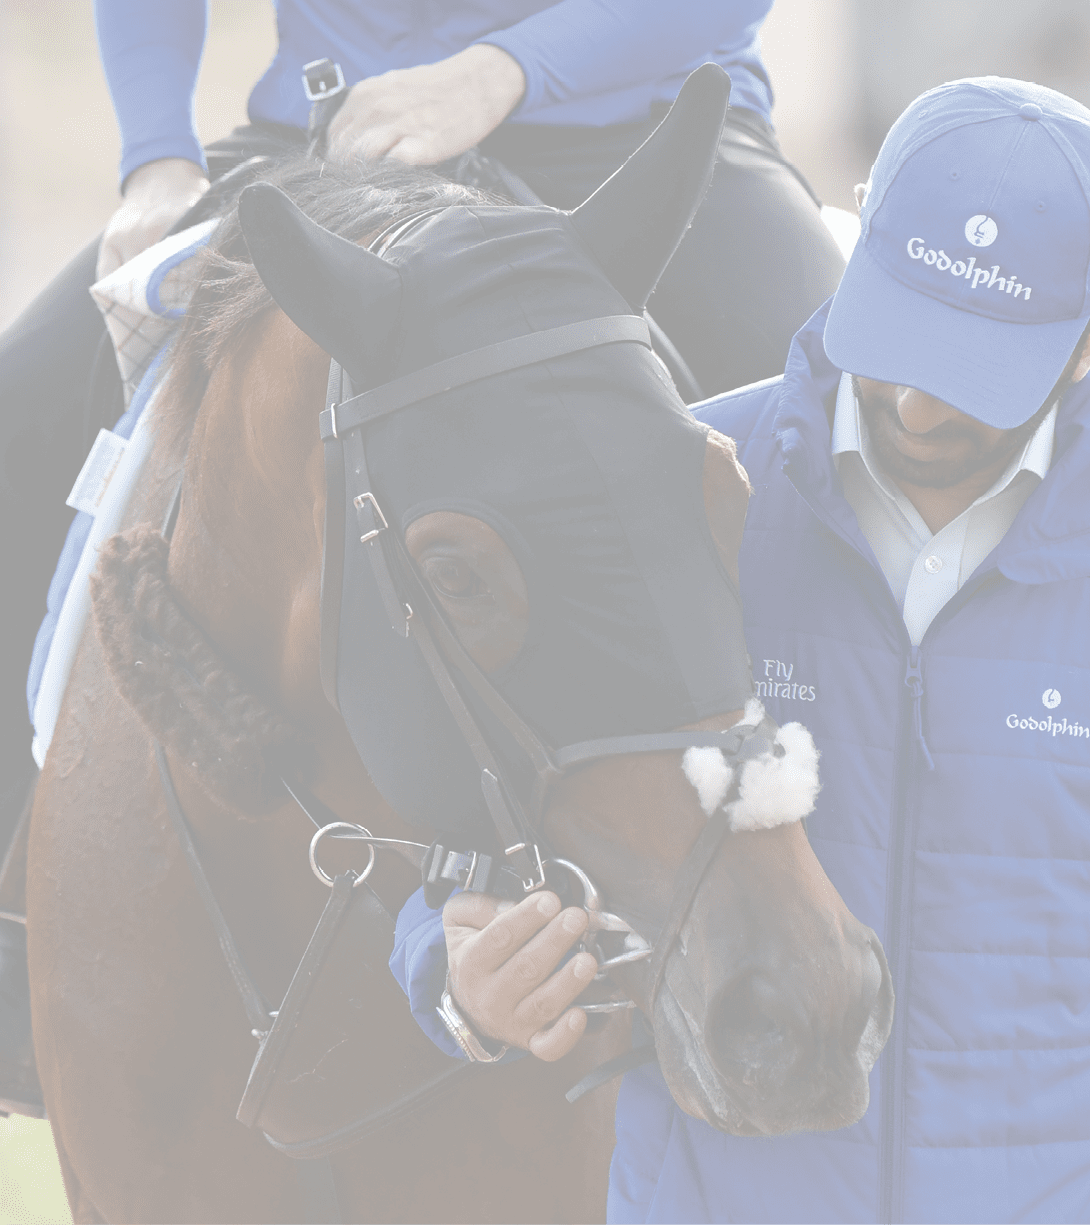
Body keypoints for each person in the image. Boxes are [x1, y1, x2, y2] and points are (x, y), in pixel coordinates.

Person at [0, 1, 848, 1105]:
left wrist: (501, 72)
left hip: (630, 138)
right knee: (16, 425)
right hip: (335, 144)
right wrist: (154, 155)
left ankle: (846, 955)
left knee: (833, 474)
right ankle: (17, 937)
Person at [390, 76, 1090, 1223]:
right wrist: (454, 974)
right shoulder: (677, 492)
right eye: (901, 332)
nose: (913, 404)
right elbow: (462, 845)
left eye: (971, 371)